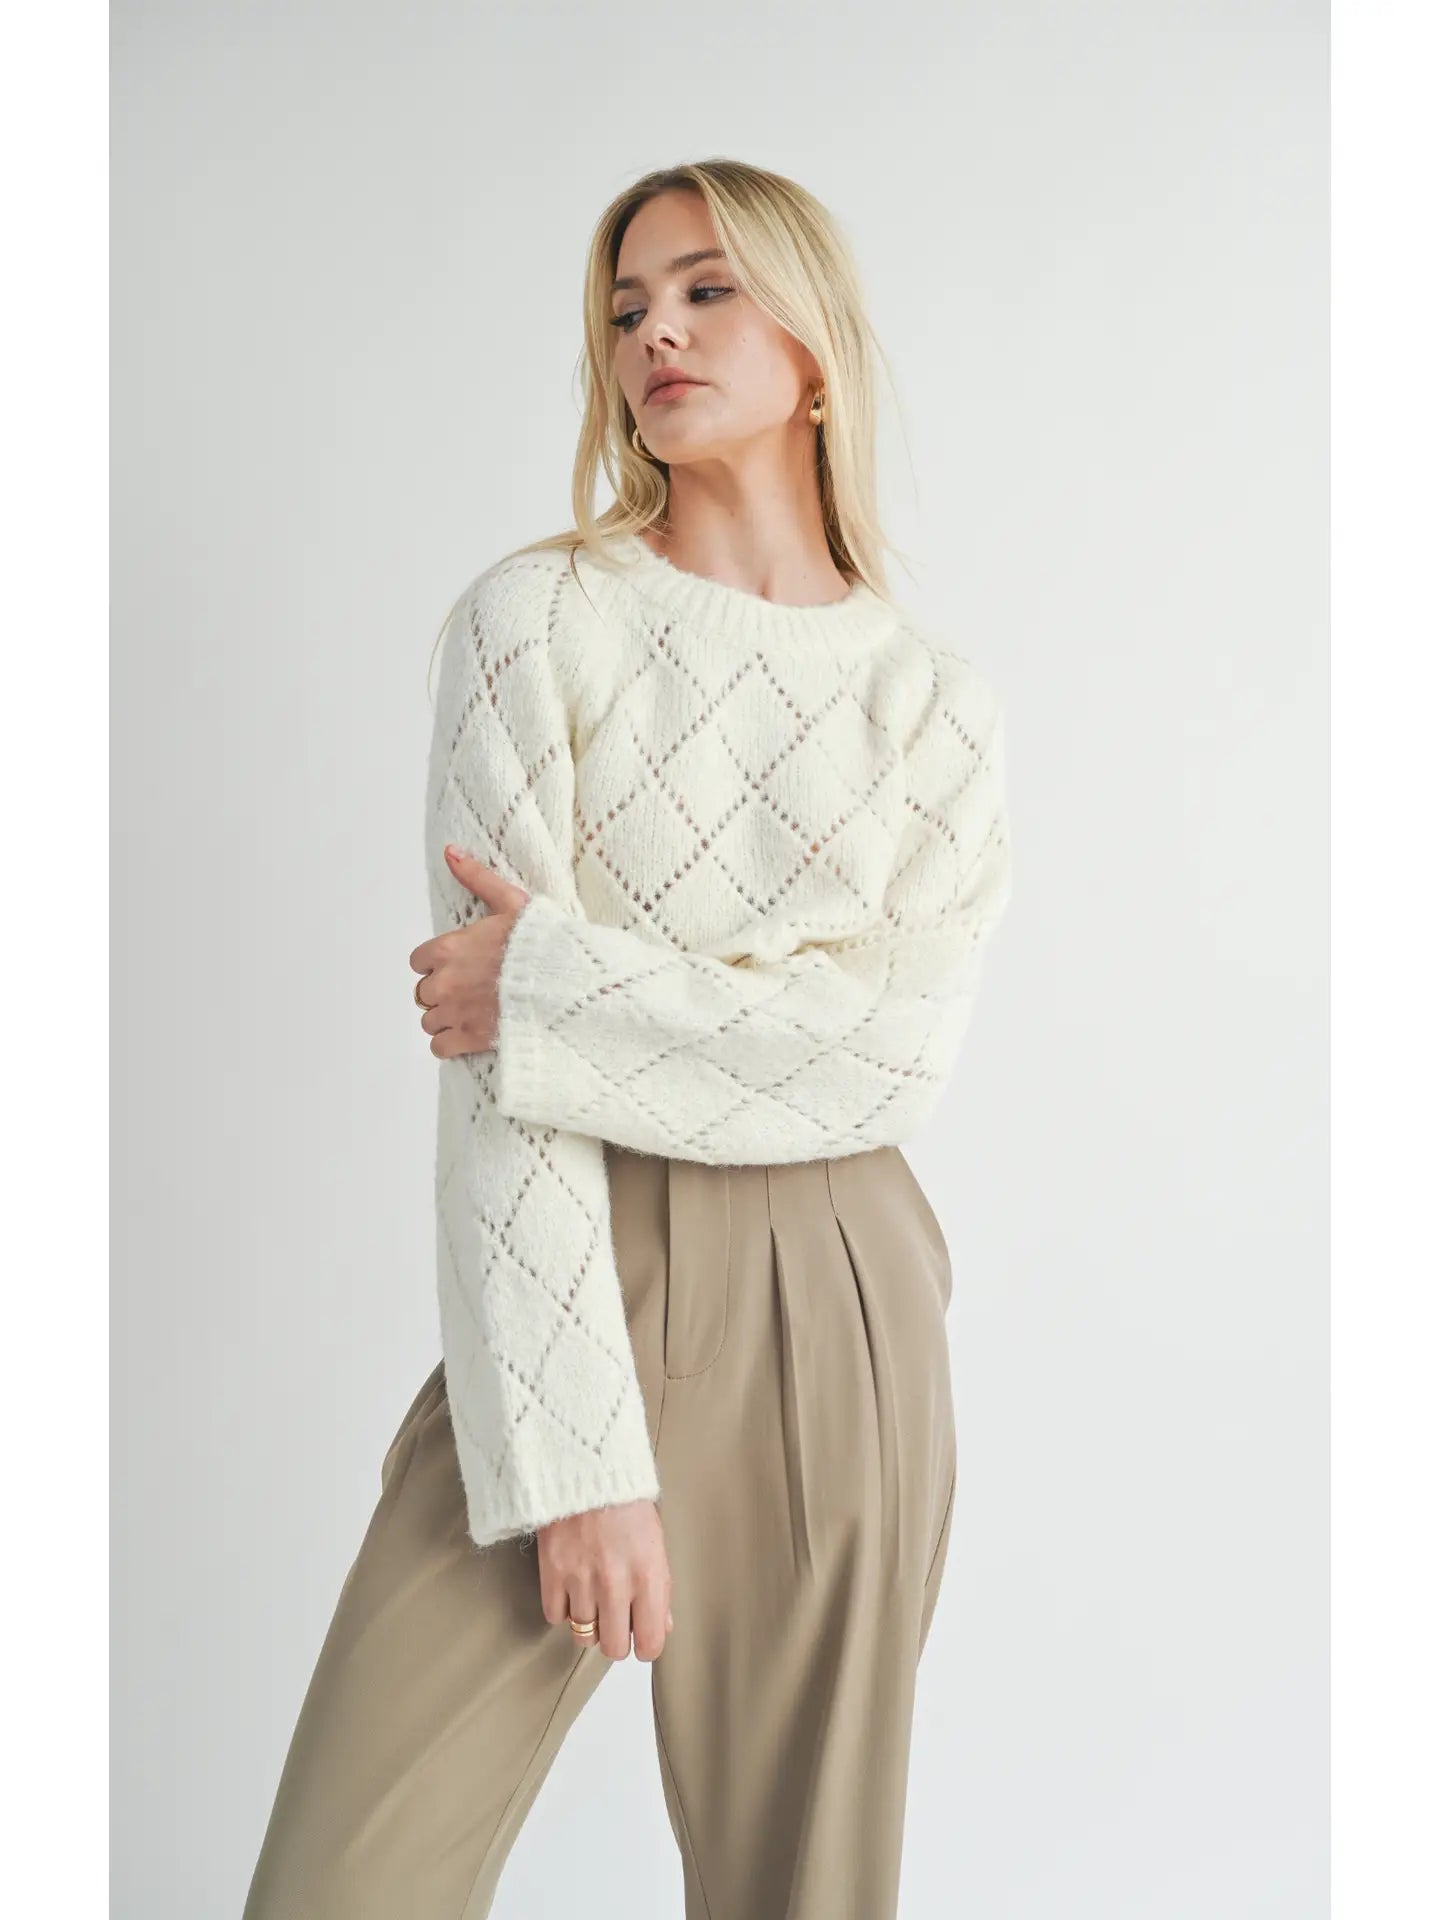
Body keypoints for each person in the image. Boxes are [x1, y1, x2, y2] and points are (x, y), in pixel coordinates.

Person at [243, 156, 1014, 1920]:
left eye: (706, 289)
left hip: (845, 1293)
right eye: (624, 309)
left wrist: (551, 984)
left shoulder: (935, 704)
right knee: (341, 1885)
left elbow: (892, 1055)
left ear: (816, 347)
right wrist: (578, 1464)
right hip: (573, 1253)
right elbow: (501, 1095)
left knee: (799, 1888)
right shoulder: (536, 623)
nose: (656, 331)